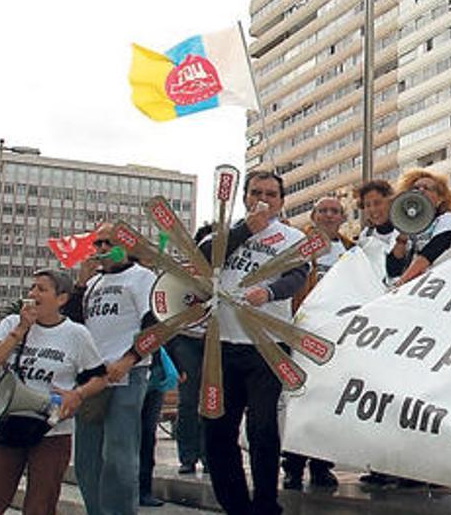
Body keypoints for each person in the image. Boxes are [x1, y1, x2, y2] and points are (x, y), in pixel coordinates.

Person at [199, 170, 307, 515]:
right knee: (217, 429)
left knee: (262, 429)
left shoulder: (291, 236)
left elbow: (297, 275)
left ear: (281, 201)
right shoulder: (226, 233)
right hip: (223, 344)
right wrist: (246, 228)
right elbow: (202, 258)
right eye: (256, 192)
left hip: (267, 344)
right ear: (245, 196)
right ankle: (234, 504)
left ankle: (265, 503)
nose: (263, 199)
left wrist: (269, 292)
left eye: (271, 194)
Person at [0, 269, 108, 515]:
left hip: (52, 431)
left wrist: (77, 395)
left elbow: (100, 377)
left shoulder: (76, 334)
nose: (33, 294)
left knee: (41, 505)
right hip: (8, 424)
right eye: (32, 288)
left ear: (61, 299)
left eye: (42, 289)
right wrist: (20, 331)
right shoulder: (12, 324)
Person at [64, 224, 158, 515]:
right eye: (98, 243)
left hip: (126, 373)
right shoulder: (93, 283)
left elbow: (154, 323)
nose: (102, 249)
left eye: (109, 243)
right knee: (87, 457)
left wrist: (129, 359)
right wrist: (80, 286)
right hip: (93, 377)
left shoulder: (142, 277)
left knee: (119, 453)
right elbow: (74, 325)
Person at [281, 196, 349, 490]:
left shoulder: (351, 250)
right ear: (313, 216)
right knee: (300, 398)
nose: (329, 215)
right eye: (323, 211)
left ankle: (322, 465)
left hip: (337, 335)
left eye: (334, 211)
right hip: (302, 331)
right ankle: (293, 465)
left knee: (329, 401)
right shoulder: (299, 246)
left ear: (343, 217)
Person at [165, 222, 212, 476]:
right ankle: (187, 455)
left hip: (215, 343)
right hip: (186, 340)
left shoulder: (226, 273)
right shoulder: (181, 274)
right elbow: (167, 314)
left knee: (211, 401)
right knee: (188, 401)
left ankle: (209, 455)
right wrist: (173, 354)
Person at [386, 169, 451, 287]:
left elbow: (432, 251)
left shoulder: (447, 219)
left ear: (440, 199)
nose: (420, 191)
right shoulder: (401, 225)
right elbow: (393, 269)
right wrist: (403, 237)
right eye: (416, 188)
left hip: (436, 284)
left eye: (427, 188)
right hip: (410, 287)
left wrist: (401, 283)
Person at [138, 347, 177, 507]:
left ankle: (144, 489)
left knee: (147, 435)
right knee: (128, 436)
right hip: (128, 373)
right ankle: (132, 489)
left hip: (154, 375)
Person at [356, 180, 396, 247]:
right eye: (367, 205)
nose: (373, 209)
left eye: (377, 203)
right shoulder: (365, 236)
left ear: (390, 202)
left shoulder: (406, 232)